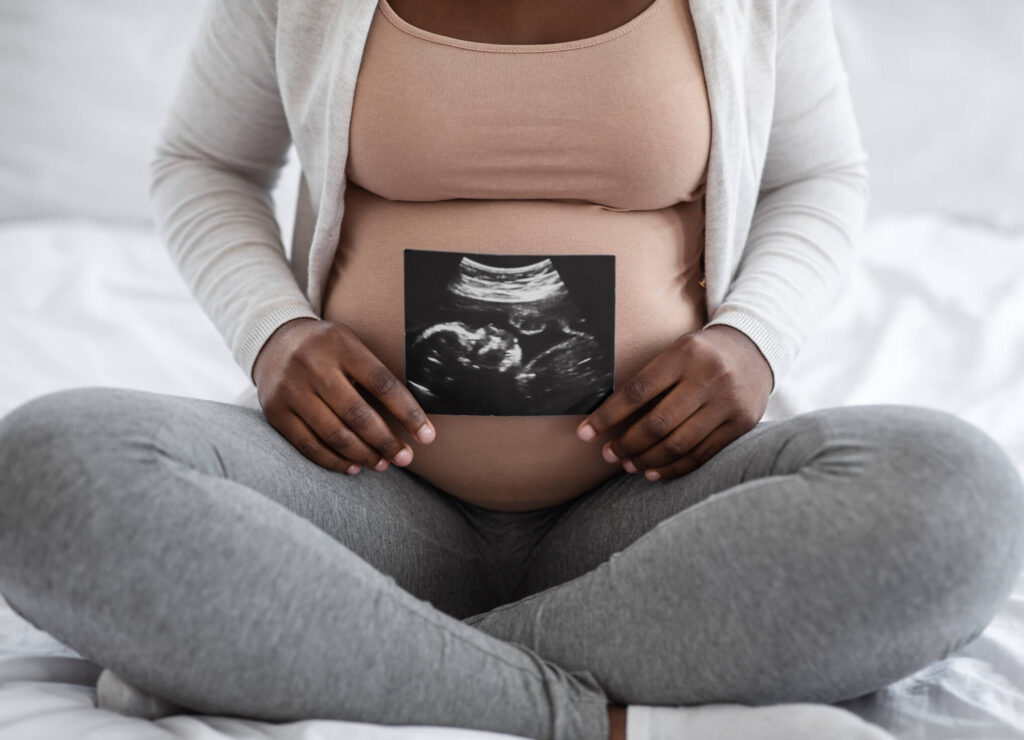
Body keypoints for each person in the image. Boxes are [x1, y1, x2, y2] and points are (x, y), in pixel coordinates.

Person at [1, 0, 1022, 739]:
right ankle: (594, 716)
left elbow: (819, 175)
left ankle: (320, 652)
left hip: (656, 511)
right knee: (49, 465)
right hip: (357, 496)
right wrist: (274, 335)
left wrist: (752, 338)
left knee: (955, 493)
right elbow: (203, 162)